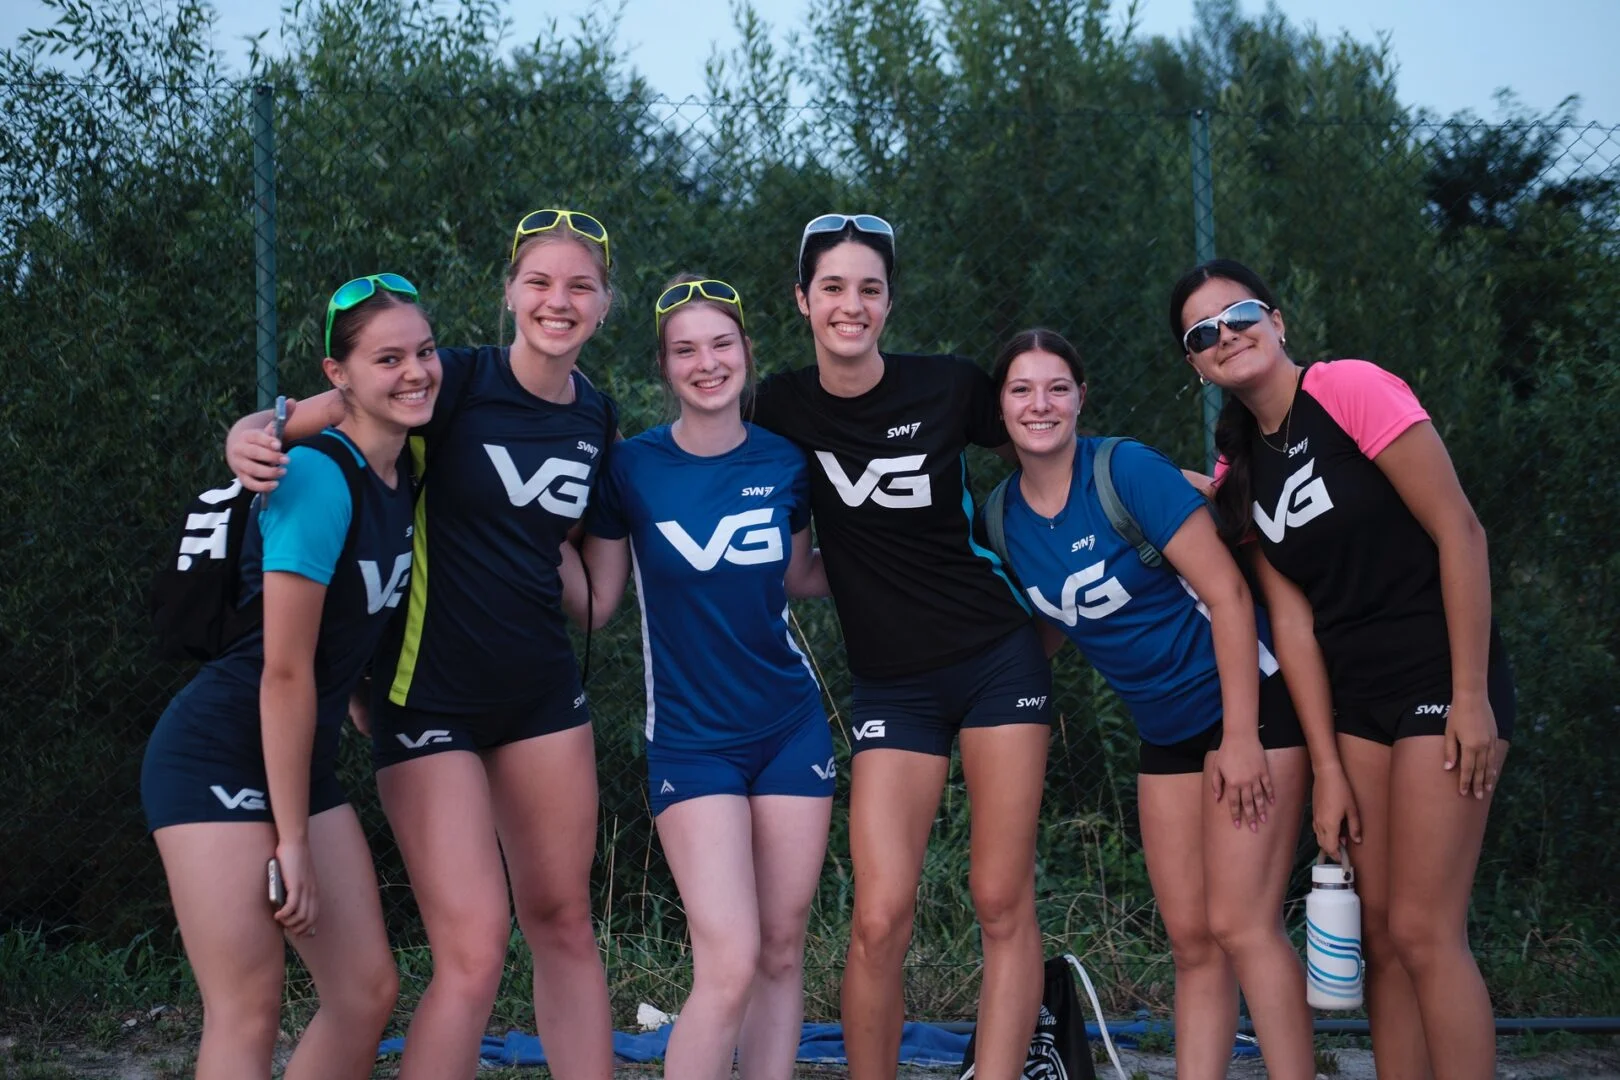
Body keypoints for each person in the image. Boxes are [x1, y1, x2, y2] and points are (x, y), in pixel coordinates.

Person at [224, 210, 619, 1080]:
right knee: (474, 953)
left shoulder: (597, 413)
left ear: (603, 305)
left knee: (562, 923)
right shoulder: (452, 380)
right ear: (509, 293)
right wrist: (245, 435)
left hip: (543, 696)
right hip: (426, 697)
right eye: (541, 283)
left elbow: (588, 579)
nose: (560, 301)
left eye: (580, 286)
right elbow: (306, 417)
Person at [1172, 258, 1515, 1080]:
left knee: (1429, 932)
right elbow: (1290, 624)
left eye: (1242, 313)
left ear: (1279, 320)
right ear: (1195, 363)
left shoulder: (1349, 389)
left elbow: (1461, 533)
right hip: (1358, 701)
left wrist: (1472, 696)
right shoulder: (1243, 471)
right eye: (1203, 332)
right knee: (1383, 939)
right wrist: (1325, 769)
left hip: (1440, 675)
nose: (1228, 335)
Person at [985, 328, 1339, 1080]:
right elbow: (1056, 618)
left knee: (1244, 925)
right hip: (1167, 733)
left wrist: (1240, 736)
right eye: (1021, 390)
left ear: (1082, 397)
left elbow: (1230, 595)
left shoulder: (1125, 470)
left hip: (1252, 707)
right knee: (1190, 939)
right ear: (1000, 407)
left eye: (1056, 387)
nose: (1040, 404)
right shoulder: (1002, 518)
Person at [748, 214, 1053, 1080]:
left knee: (1000, 898)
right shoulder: (777, 405)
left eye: (870, 288)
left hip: (997, 656)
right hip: (892, 685)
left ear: (889, 301)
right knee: (879, 915)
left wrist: (1172, 495)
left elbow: (1049, 445)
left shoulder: (950, 386)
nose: (852, 305)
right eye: (834, 288)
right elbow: (735, 494)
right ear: (803, 300)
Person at [142, 274, 436, 1079]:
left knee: (366, 991)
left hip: (297, 759)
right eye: (387, 358)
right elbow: (283, 670)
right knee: (248, 1008)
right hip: (218, 756)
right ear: (337, 376)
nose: (415, 371)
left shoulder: (403, 465)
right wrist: (294, 839)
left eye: (424, 351)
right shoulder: (315, 478)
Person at [559, 273, 832, 1080]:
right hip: (691, 741)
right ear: (664, 366)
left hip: (789, 727)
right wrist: (526, 536)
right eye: (686, 350)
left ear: (748, 351)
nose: (707, 362)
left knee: (782, 951)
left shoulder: (787, 462)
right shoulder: (631, 468)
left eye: (722, 343)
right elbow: (597, 605)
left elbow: (798, 577)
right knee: (731, 958)